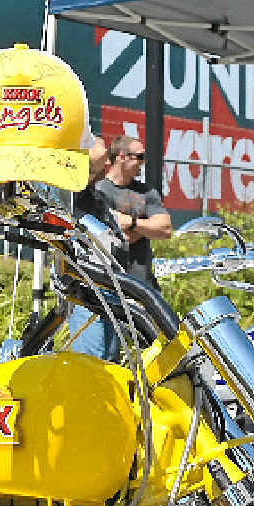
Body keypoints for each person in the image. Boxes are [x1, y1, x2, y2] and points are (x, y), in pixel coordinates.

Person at [69, 134, 171, 359]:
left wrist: (133, 223)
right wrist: (140, 227)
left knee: (128, 360)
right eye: (140, 157)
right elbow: (121, 235)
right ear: (121, 157)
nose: (107, 162)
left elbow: (164, 228)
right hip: (94, 291)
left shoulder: (141, 192)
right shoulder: (85, 193)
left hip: (128, 289)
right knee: (96, 364)